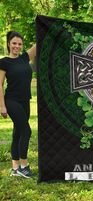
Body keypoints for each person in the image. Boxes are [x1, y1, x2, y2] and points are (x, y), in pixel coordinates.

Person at [0, 31, 36, 178]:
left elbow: (38, 43)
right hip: (11, 101)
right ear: (9, 43)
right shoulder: (4, 62)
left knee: (18, 133)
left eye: (20, 44)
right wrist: (2, 106)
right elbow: (0, 85)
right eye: (14, 43)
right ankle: (24, 165)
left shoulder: (24, 58)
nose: (17, 46)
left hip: (25, 100)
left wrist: (46, 26)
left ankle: (15, 168)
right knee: (27, 131)